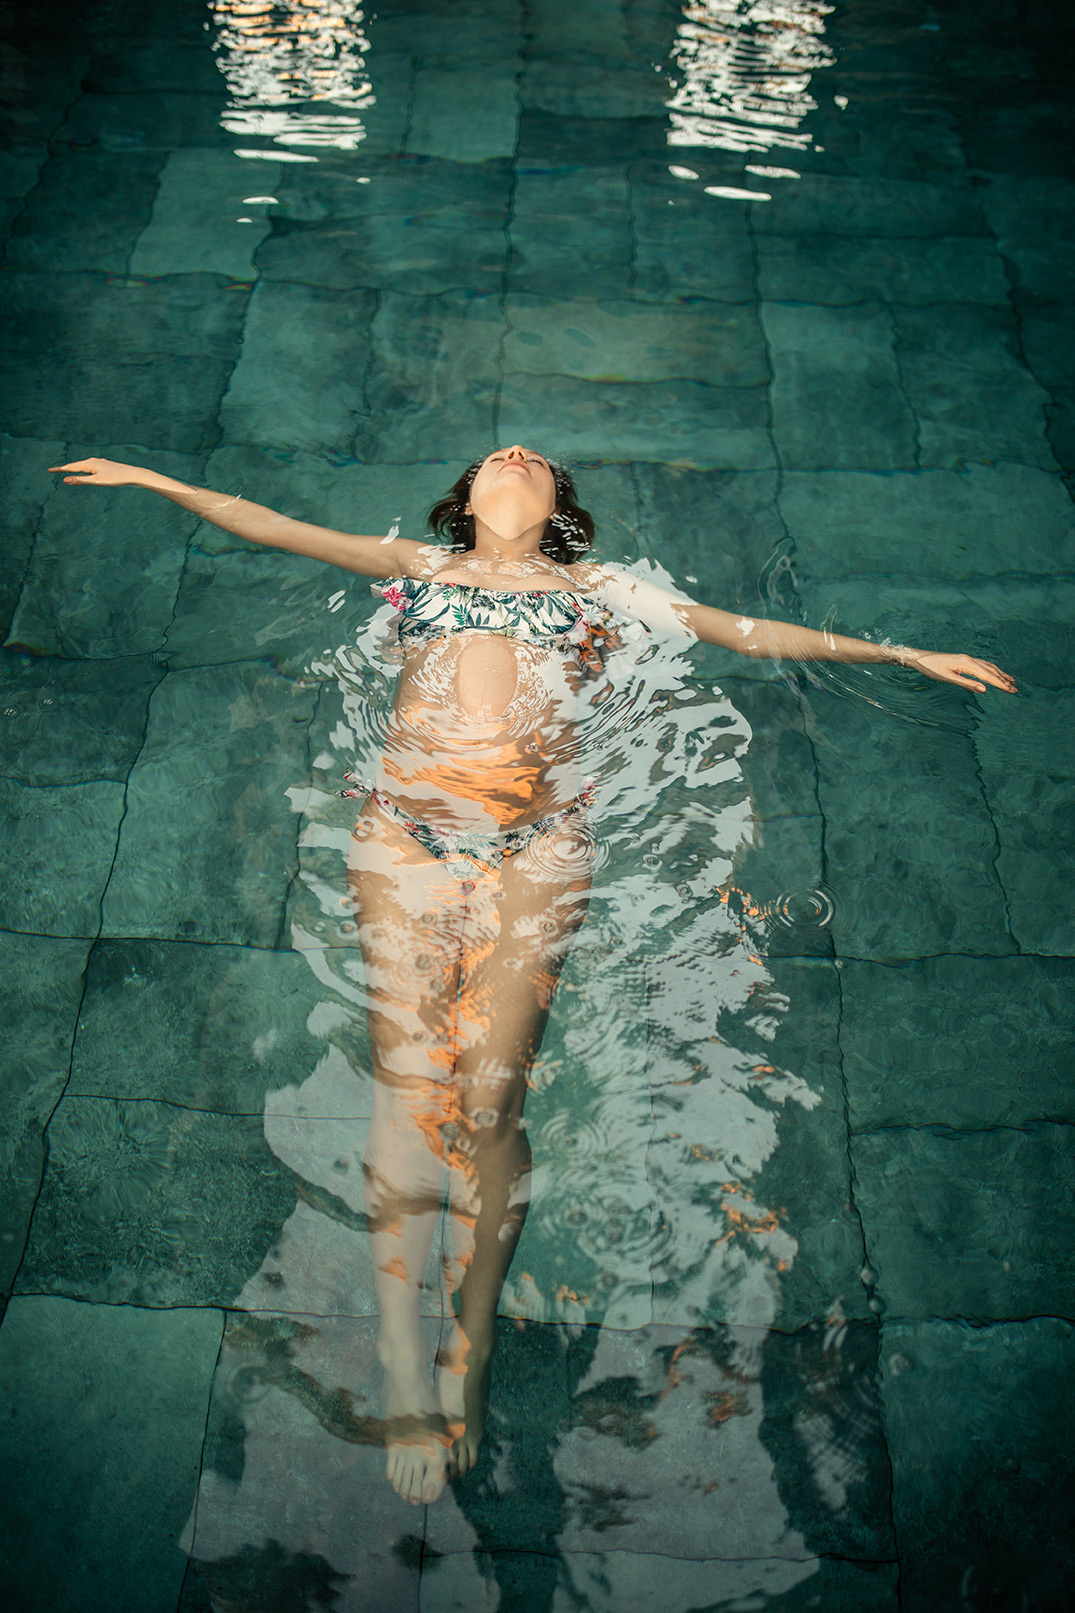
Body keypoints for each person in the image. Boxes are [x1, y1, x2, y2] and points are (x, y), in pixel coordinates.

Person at [51, 447, 1016, 1506]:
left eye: (534, 461)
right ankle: (399, 1362)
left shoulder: (601, 589)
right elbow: (270, 523)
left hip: (536, 844)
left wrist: (902, 652)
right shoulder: (415, 564)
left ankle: (467, 1347)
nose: (511, 455)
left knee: (490, 1092)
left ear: (559, 506)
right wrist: (154, 480)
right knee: (410, 1085)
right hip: (407, 837)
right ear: (465, 499)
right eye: (490, 457)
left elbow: (742, 630)